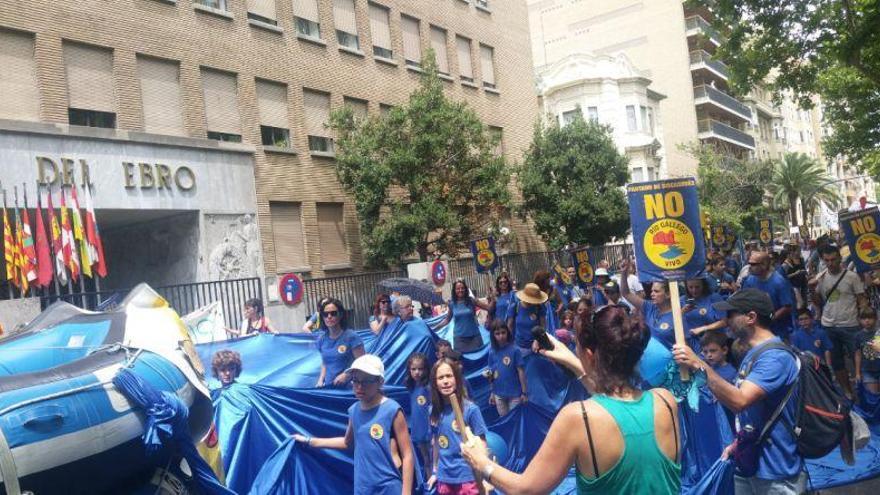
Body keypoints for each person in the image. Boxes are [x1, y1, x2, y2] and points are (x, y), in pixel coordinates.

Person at [460, 304, 681, 494]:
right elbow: (617, 410)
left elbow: (525, 488)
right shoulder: (665, 402)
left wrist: (481, 462)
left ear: (590, 355)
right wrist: (574, 363)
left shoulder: (579, 417)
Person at [673, 289, 805, 494]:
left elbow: (740, 400)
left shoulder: (775, 358)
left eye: (730, 315)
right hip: (750, 460)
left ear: (751, 317)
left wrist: (698, 364)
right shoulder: (753, 353)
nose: (725, 321)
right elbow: (753, 412)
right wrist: (738, 442)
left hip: (776, 472)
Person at [294, 354, 414, 495]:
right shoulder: (354, 411)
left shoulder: (392, 409)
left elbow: (407, 455)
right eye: (355, 381)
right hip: (363, 487)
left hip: (388, 487)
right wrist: (310, 441)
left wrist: (406, 492)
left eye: (366, 381)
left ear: (380, 382)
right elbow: (347, 442)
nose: (359, 386)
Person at [809, 243, 868, 397]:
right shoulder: (821, 277)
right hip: (829, 325)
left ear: (840, 258)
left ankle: (864, 391)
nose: (830, 263)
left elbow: (861, 299)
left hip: (851, 325)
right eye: (827, 260)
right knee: (837, 363)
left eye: (833, 260)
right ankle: (848, 392)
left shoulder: (851, 277)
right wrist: (811, 288)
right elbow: (817, 302)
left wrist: (864, 317)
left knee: (860, 361)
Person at [427, 358, 488, 494]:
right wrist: (435, 471)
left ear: (457, 379)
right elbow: (436, 442)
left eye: (449, 376)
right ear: (435, 383)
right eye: (441, 377)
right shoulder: (433, 411)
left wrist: (483, 473)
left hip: (468, 477)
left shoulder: (471, 409)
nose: (446, 381)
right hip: (445, 477)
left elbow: (482, 443)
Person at [619, 259, 686, 351]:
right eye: (651, 291)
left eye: (656, 291)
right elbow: (626, 293)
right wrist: (623, 273)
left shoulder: (678, 314)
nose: (652, 294)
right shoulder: (649, 307)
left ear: (668, 294)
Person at [740, 251, 795, 340]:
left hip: (779, 330)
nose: (750, 267)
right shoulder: (750, 280)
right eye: (749, 263)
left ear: (764, 265)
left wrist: (769, 319)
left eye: (753, 264)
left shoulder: (779, 282)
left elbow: (787, 306)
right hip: (758, 328)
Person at [316, 298, 365, 387]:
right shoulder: (321, 339)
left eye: (333, 313)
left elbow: (363, 363)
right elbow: (325, 362)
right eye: (325, 314)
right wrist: (320, 380)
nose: (329, 316)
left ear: (341, 314)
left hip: (350, 391)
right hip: (330, 390)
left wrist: (347, 375)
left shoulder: (352, 337)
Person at [487, 320, 527, 416]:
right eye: (497, 334)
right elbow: (491, 374)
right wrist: (492, 392)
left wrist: (524, 393)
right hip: (498, 394)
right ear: (493, 336)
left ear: (507, 332)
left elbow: (521, 372)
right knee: (503, 420)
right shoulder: (492, 352)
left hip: (515, 394)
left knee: (514, 420)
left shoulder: (515, 350)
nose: (501, 336)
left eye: (503, 332)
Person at [439, 279, 491, 353]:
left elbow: (488, 308)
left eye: (462, 288)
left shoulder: (472, 301)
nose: (460, 290)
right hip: (460, 340)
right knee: (462, 362)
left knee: (478, 359)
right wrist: (437, 327)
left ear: (466, 289)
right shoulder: (452, 304)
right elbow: (447, 320)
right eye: (458, 288)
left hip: (474, 337)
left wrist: (493, 298)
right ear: (454, 290)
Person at [405, 352, 432, 480]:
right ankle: (430, 485)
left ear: (426, 369)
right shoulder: (411, 386)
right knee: (426, 459)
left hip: (430, 429)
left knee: (434, 458)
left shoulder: (429, 387)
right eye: (413, 369)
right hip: (418, 429)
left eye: (420, 369)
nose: (417, 372)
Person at [681, 278, 726, 345]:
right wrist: (682, 312)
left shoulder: (716, 297)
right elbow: (673, 322)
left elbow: (725, 322)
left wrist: (703, 329)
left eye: (697, 287)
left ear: (703, 285)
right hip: (692, 343)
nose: (694, 290)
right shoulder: (681, 300)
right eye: (690, 287)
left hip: (714, 341)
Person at [507, 283, 548, 351]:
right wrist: (510, 343)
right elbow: (509, 326)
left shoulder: (539, 307)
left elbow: (543, 326)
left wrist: (537, 340)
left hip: (536, 347)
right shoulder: (515, 307)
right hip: (519, 346)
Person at [855, 307, 880, 394]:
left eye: (870, 318)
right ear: (859, 320)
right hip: (867, 370)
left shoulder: (878, 333)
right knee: (872, 396)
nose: (867, 321)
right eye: (864, 318)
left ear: (875, 319)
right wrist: (857, 372)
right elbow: (858, 354)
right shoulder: (859, 336)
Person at [779, 242, 808, 309]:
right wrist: (795, 273)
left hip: (803, 283)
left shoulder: (801, 259)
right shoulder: (787, 262)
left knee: (804, 301)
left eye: (799, 251)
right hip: (794, 285)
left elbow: (804, 269)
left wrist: (805, 273)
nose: (798, 253)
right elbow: (784, 277)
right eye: (797, 251)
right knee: (799, 303)